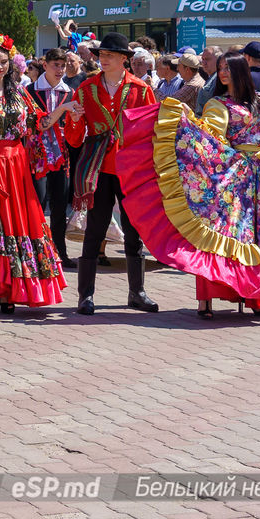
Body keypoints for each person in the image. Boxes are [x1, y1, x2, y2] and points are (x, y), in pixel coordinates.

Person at [119, 52, 260, 318]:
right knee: (225, 235)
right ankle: (206, 300)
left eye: (228, 68)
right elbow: (211, 136)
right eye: (220, 68)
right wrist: (187, 120)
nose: (223, 73)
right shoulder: (217, 104)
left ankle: (257, 298)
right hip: (236, 181)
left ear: (241, 71)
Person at [0, 36, 67, 313]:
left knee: (13, 227)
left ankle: (8, 290)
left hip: (16, 167)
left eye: (3, 62)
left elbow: (38, 123)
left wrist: (63, 109)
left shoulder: (19, 92)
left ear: (11, 63)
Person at [65, 33, 161, 315]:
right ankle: (86, 295)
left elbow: (151, 131)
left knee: (134, 230)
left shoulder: (141, 89)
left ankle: (137, 292)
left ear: (124, 59)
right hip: (98, 167)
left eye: (108, 55)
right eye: (100, 54)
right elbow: (73, 139)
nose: (102, 58)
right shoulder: (85, 88)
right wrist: (72, 120)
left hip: (131, 168)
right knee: (95, 229)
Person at [29, 47, 80, 267]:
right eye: (55, 65)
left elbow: (75, 127)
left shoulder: (69, 91)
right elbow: (39, 124)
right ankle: (35, 251)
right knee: (37, 203)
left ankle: (59, 251)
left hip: (61, 154)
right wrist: (64, 110)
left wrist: (76, 118)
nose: (60, 70)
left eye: (63, 65)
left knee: (59, 205)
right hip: (36, 155)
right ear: (45, 65)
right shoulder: (30, 91)